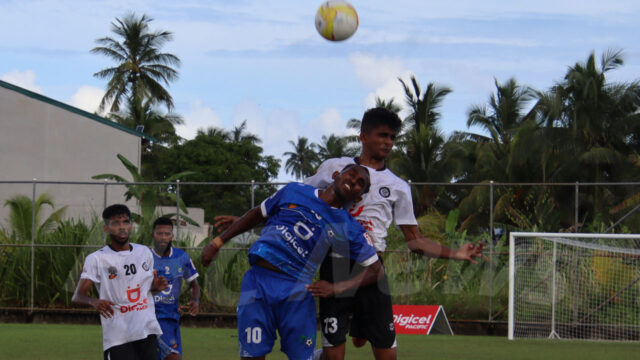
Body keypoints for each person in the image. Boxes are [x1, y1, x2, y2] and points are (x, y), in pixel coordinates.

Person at [302, 107, 485, 360]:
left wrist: (457, 254)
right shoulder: (334, 167)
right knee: (335, 357)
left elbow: (415, 240)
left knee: (387, 356)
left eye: (392, 137)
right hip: (335, 264)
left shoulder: (398, 186)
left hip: (371, 270)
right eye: (382, 135)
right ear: (363, 137)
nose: (388, 143)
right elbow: (298, 198)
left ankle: (359, 330)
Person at [202, 164, 385, 360]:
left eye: (360, 184)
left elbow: (376, 271)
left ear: (358, 198)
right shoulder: (294, 190)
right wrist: (218, 241)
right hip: (257, 283)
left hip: (296, 291)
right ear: (336, 175)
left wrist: (335, 288)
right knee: (251, 355)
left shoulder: (349, 226)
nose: (353, 181)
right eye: (351, 174)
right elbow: (257, 214)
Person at [72, 204, 168, 360]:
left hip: (147, 330)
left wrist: (155, 287)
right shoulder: (97, 258)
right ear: (106, 228)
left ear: (130, 226)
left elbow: (143, 289)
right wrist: (93, 301)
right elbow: (77, 296)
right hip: (118, 337)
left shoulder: (144, 252)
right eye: (116, 223)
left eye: (126, 222)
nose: (122, 227)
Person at [151, 216, 200, 360]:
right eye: (159, 233)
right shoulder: (144, 256)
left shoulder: (181, 257)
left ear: (172, 236)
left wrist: (195, 301)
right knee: (173, 357)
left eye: (167, 234)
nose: (163, 237)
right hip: (150, 318)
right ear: (152, 235)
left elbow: (194, 284)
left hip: (172, 318)